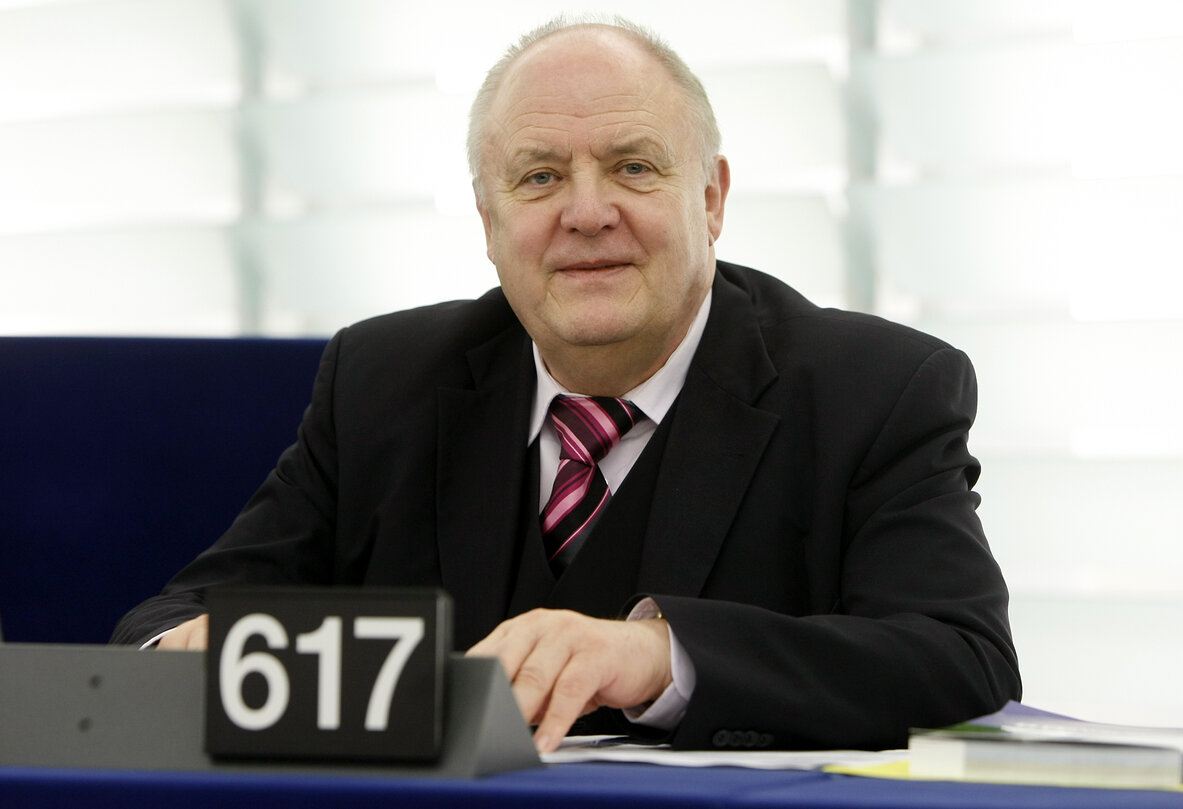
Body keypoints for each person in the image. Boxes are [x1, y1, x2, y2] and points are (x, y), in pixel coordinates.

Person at [112, 16, 1021, 753]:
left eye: (632, 165)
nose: (587, 214)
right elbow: (178, 613)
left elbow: (960, 663)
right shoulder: (381, 381)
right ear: (488, 219)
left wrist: (656, 655)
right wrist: (188, 656)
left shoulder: (880, 389)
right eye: (540, 177)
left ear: (710, 198)